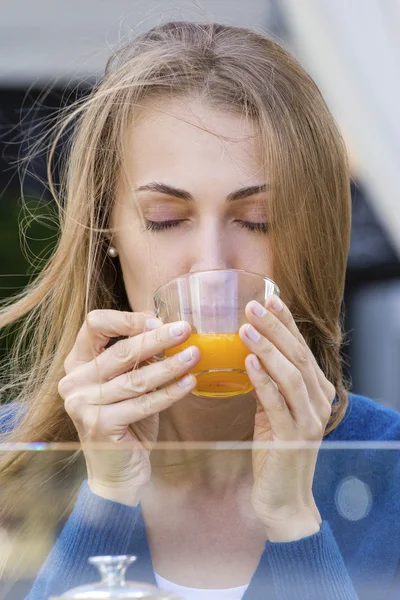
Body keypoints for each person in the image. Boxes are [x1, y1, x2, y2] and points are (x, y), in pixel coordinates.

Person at [0, 20, 399, 600]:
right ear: (107, 232)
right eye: (166, 218)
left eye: (257, 220)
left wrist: (293, 519)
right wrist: (105, 501)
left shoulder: (386, 466)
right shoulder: (11, 463)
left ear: (312, 232)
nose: (211, 265)